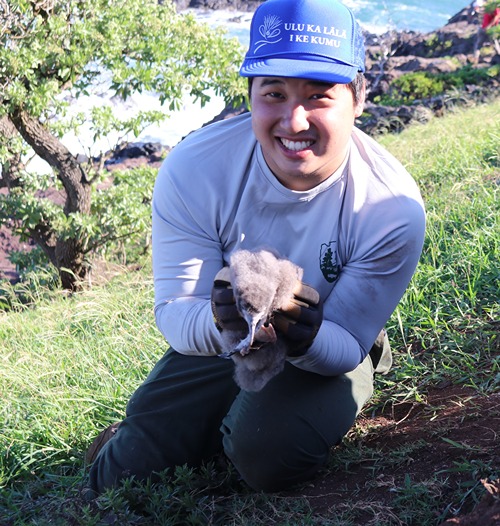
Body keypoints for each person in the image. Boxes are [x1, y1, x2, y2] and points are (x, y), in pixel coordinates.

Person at [86, 0, 426, 495]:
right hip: (227, 335)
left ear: (358, 98)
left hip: (335, 330)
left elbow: (345, 342)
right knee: (122, 475)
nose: (293, 120)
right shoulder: (196, 170)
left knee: (267, 454)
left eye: (319, 95)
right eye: (274, 92)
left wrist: (306, 336)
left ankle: (254, 424)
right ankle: (167, 429)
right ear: (250, 96)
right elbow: (177, 313)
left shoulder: (390, 209)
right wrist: (223, 320)